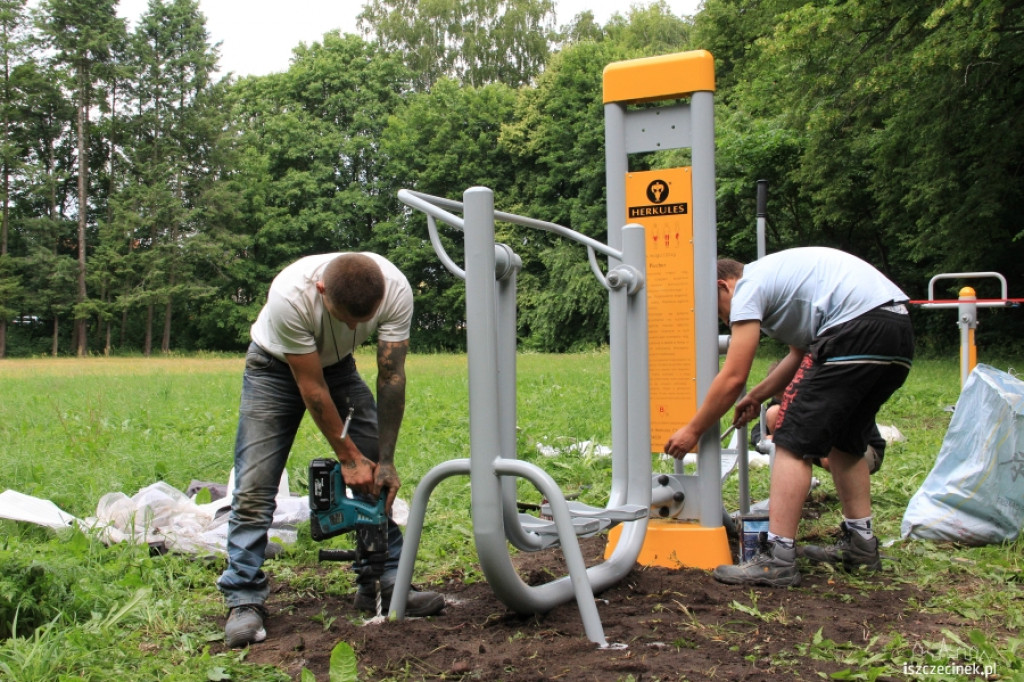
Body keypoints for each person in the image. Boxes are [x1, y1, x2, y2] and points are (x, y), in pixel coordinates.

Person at [218, 252, 444, 648]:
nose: (356, 326)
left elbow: (391, 375)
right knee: (254, 485)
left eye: (364, 319)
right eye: (345, 319)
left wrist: (384, 460)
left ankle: (383, 579)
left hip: (338, 368)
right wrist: (348, 457)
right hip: (274, 369)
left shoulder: (396, 290)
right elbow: (311, 388)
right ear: (321, 290)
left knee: (373, 471)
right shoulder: (290, 295)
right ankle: (244, 599)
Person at [664, 247, 913, 587]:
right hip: (896, 331)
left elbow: (734, 374)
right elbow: (799, 355)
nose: (726, 322)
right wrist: (756, 397)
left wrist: (693, 430)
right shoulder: (784, 286)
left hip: (854, 330)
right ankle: (861, 545)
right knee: (846, 440)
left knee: (791, 440)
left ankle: (778, 557)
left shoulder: (749, 286)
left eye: (720, 314)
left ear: (723, 286)